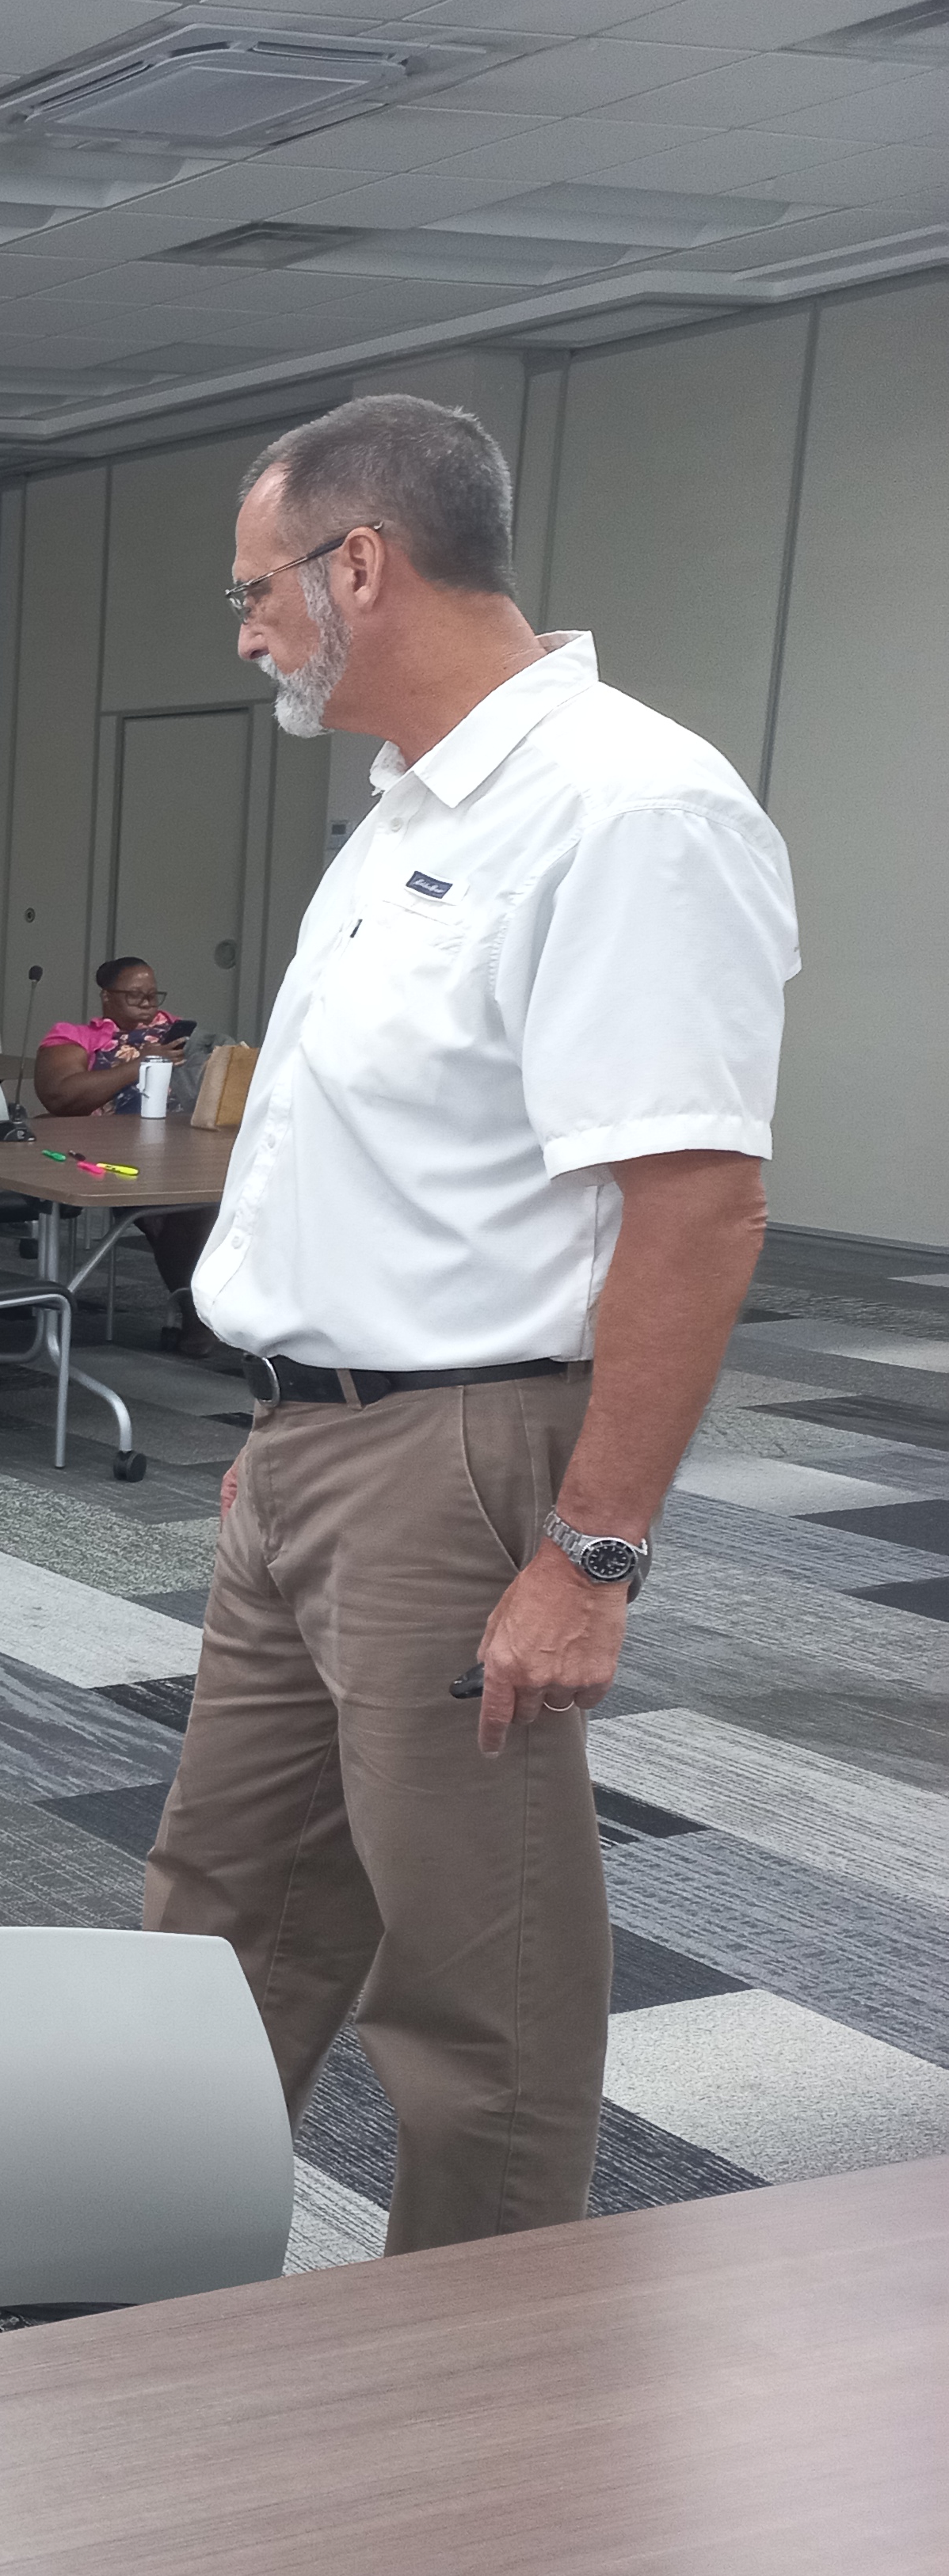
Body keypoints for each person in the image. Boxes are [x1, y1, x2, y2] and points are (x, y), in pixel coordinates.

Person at [147, 393, 793, 2254]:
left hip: (463, 1450)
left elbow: (696, 1208)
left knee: (470, 1978)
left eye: (257, 589)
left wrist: (587, 1553)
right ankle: (127, 2291)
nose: (248, 628)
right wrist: (287, 1430)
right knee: (221, 1913)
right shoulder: (410, 815)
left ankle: (490, 2390)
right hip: (315, 1446)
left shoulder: (626, 810)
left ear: (360, 566)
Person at [34, 955, 213, 1352]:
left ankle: (214, 1311)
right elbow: (62, 1097)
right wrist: (143, 1064)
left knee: (215, 1199)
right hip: (103, 1152)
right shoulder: (75, 1037)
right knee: (185, 1206)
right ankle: (199, 1313)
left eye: (153, 995)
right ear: (106, 998)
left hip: (182, 1144)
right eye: (135, 995)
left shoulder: (179, 1035)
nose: (147, 1004)